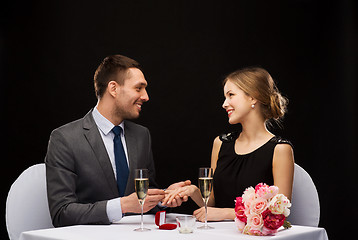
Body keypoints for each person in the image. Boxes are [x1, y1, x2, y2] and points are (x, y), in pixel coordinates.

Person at [45, 54, 189, 227]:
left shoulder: (142, 135)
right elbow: (62, 213)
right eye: (138, 88)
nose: (146, 96)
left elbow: (143, 195)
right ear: (113, 88)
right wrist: (122, 206)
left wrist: (162, 198)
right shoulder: (65, 139)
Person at [163, 67, 295, 222]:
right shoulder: (220, 143)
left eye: (231, 95)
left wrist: (226, 213)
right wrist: (193, 191)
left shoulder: (280, 149)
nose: (224, 104)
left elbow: (279, 212)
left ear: (254, 97)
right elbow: (211, 203)